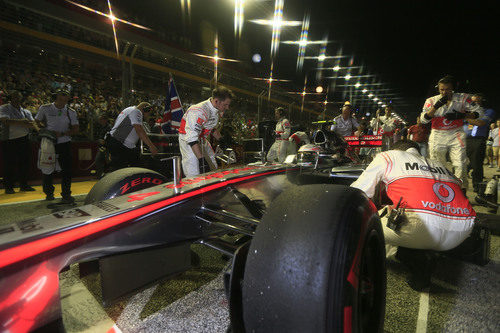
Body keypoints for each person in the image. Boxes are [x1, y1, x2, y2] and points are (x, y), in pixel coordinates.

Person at [351, 140, 476, 290]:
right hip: (461, 231)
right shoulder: (438, 164)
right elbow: (459, 185)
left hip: (420, 229)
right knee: (405, 221)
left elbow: (357, 192)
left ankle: (414, 257)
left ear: (396, 149)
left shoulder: (389, 156)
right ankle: (421, 248)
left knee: (361, 223)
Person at [420, 75, 482, 191]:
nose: (445, 92)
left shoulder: (463, 98)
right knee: (438, 165)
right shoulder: (431, 100)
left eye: (448, 89)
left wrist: (462, 115)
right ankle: (441, 190)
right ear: (438, 89)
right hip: (437, 134)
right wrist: (436, 106)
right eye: (442, 89)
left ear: (453, 88)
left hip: (456, 133)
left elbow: (479, 112)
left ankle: (461, 190)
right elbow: (423, 119)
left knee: (461, 164)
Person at [178, 86, 234, 177]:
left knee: (213, 167)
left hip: (201, 139)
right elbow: (191, 138)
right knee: (195, 172)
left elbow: (211, 127)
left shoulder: (216, 109)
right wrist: (201, 159)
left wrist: (221, 140)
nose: (227, 108)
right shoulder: (198, 111)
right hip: (188, 141)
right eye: (225, 105)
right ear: (216, 101)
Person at [35, 88, 79, 203]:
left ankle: (66, 194)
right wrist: (42, 130)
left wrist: (63, 133)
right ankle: (49, 193)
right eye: (60, 96)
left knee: (67, 170)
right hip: (49, 143)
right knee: (47, 167)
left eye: (65, 96)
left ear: (68, 99)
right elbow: (36, 121)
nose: (62, 98)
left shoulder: (71, 112)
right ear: (56, 96)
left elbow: (75, 129)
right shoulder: (45, 108)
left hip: (64, 142)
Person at [0, 91, 38, 194]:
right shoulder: (4, 108)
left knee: (24, 163)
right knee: (9, 164)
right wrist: (22, 122)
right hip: (9, 139)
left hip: (24, 139)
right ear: (10, 98)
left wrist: (28, 124)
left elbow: (32, 124)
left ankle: (24, 185)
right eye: (15, 97)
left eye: (19, 97)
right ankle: (8, 187)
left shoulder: (26, 111)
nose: (17, 99)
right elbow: (5, 121)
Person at [107, 102, 159, 171]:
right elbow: (139, 130)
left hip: (119, 143)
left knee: (131, 166)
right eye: (148, 113)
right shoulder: (136, 112)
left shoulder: (128, 109)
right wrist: (151, 146)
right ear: (145, 110)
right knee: (132, 168)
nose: (147, 116)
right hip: (120, 144)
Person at [463, 93, 495, 192]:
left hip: (478, 140)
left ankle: (478, 188)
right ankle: (460, 187)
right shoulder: (466, 112)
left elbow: (480, 123)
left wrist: (462, 117)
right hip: (464, 140)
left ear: (482, 102)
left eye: (476, 102)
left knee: (477, 165)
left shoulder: (488, 111)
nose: (473, 104)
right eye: (472, 102)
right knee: (461, 164)